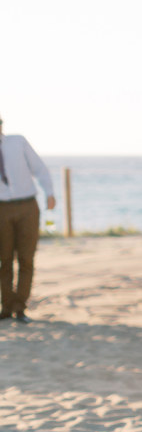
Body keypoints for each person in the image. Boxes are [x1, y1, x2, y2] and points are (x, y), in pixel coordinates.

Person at [0, 116, 55, 324]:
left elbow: (40, 168)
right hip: (1, 209)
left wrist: (49, 192)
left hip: (27, 207)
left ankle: (20, 307)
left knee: (26, 258)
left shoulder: (18, 142)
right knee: (4, 260)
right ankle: (6, 307)